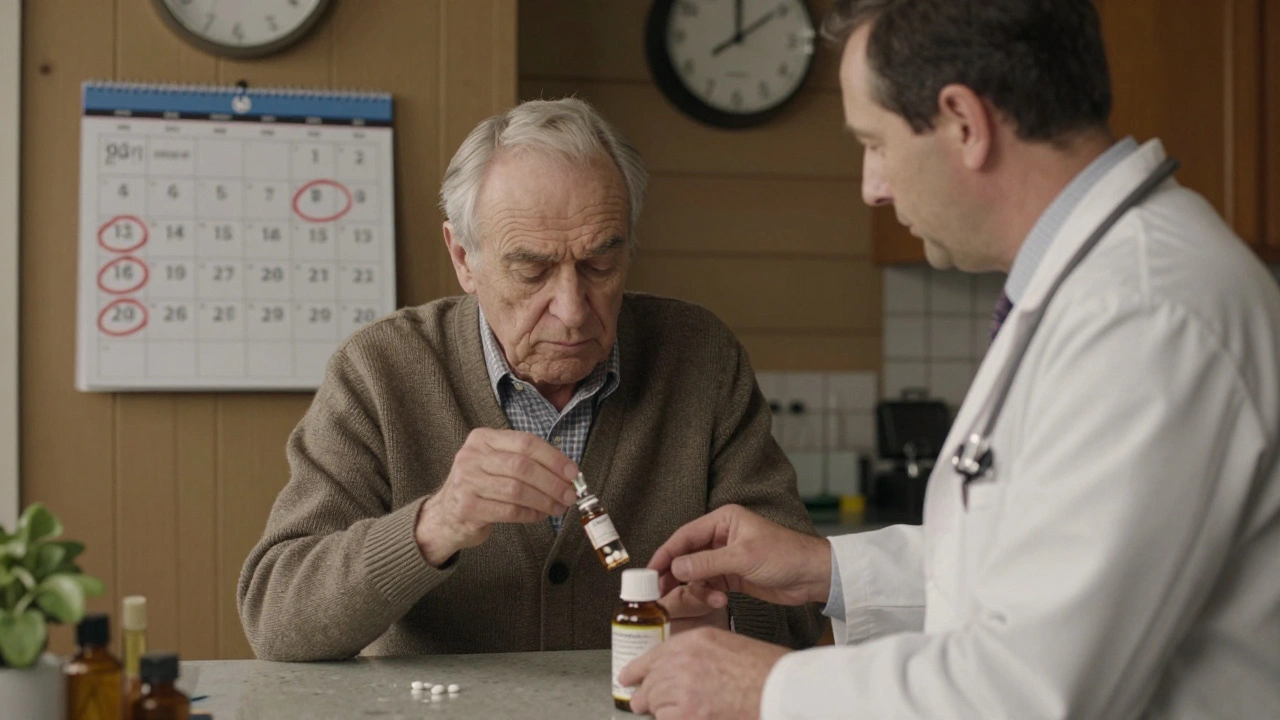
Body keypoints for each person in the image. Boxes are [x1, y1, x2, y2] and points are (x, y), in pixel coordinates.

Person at [618, 1, 1280, 717]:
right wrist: (826, 570)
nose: (872, 186)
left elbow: (1028, 691)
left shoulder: (1143, 316)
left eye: (875, 143)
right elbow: (1038, 570)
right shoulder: (1095, 288)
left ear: (965, 123)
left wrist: (767, 688)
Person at [237, 98, 826, 661]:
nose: (571, 309)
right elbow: (277, 620)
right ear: (463, 257)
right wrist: (434, 525)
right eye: (531, 270)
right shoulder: (380, 371)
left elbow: (803, 598)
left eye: (600, 264)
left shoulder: (701, 357)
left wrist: (726, 621)